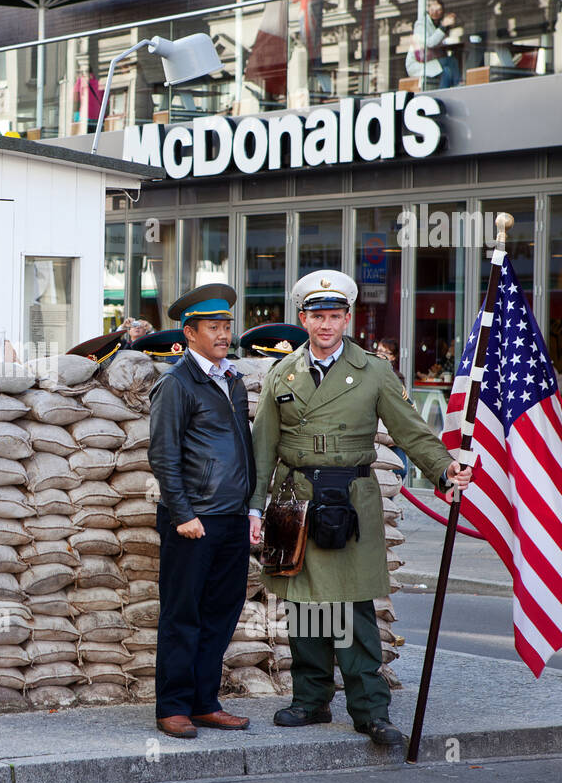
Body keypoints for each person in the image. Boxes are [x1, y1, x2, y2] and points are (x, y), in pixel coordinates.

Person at [246, 271, 472, 746]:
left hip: (350, 499)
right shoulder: (281, 373)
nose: (325, 326)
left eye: (333, 316)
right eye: (316, 317)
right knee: (304, 605)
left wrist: (443, 469)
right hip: (296, 498)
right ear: (302, 319)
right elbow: (263, 446)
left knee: (352, 608)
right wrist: (254, 508)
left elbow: (409, 429)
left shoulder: (373, 371)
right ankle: (310, 700)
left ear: (347, 317)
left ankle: (370, 709)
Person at [147, 284, 256, 739]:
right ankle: (173, 706)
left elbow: (244, 448)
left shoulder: (231, 379)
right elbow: (163, 455)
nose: (224, 334)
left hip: (231, 517)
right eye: (214, 327)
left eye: (228, 326)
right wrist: (183, 513)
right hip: (194, 520)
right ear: (189, 333)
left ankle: (204, 701)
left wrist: (251, 508)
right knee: (182, 614)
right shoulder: (175, 383)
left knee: (220, 613)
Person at [405, 0, 460, 89]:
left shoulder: (437, 24)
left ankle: (444, 91)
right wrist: (443, 27)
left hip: (431, 60)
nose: (435, 12)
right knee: (451, 61)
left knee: (447, 71)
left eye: (438, 10)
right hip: (418, 63)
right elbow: (430, 43)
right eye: (432, 9)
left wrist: (447, 27)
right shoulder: (421, 24)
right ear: (428, 9)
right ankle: (458, 85)